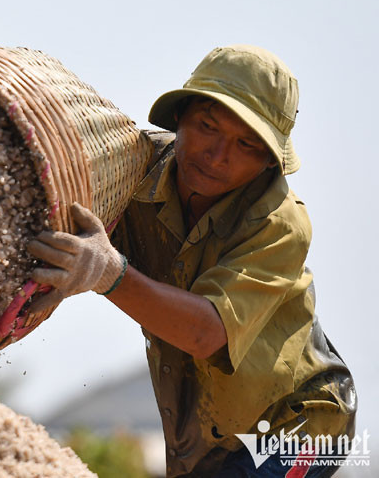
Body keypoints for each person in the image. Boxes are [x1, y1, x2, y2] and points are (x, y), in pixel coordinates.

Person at [25, 45, 357, 477]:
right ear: (180, 117)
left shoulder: (278, 223)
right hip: (205, 435)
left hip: (299, 426)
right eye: (207, 127)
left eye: (246, 145)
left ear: (265, 162)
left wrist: (108, 274)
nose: (217, 156)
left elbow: (206, 332)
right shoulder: (135, 168)